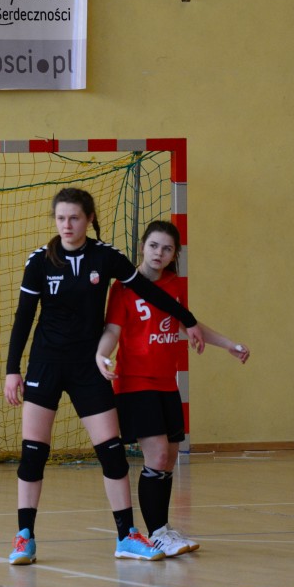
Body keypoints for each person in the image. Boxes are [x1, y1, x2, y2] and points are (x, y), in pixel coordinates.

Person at [4, 188, 205, 565]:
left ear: (89, 218)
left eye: (74, 218)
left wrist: (189, 320)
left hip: (89, 366)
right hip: (46, 365)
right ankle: (24, 537)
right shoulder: (40, 261)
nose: (67, 225)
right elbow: (23, 318)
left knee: (112, 453)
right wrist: (12, 370)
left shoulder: (105, 256)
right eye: (61, 218)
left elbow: (146, 290)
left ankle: (126, 536)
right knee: (33, 453)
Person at [95, 220, 250, 557]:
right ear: (142, 247)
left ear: (174, 254)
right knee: (158, 455)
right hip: (136, 384)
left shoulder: (175, 285)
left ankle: (162, 529)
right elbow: (112, 330)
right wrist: (102, 355)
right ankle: (156, 534)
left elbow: (188, 323)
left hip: (167, 383)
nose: (159, 253)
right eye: (153, 246)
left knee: (169, 459)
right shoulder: (123, 287)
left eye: (167, 249)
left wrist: (228, 344)